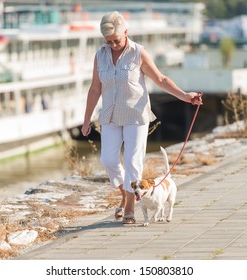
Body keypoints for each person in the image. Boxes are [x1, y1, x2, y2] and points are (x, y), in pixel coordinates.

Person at [81, 11, 202, 224]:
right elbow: (94, 89)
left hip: (136, 115)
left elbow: (161, 78)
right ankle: (125, 192)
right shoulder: (100, 55)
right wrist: (86, 120)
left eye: (116, 40)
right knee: (108, 160)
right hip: (109, 115)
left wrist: (185, 96)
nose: (113, 45)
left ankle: (129, 206)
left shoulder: (138, 53)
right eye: (108, 41)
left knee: (133, 161)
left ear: (125, 32)